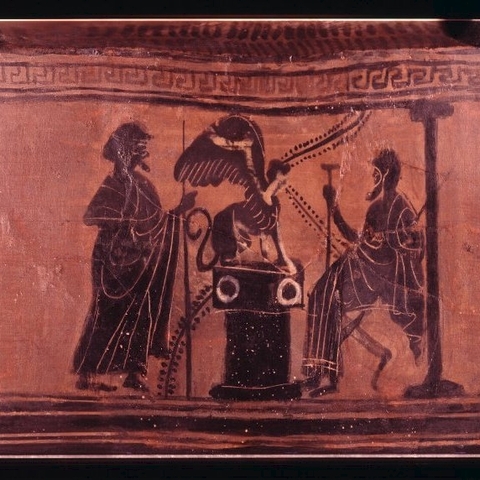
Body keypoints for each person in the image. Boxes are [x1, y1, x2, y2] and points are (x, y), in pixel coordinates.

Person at [73, 122, 196, 392]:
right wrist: (121, 220)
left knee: (142, 312)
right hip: (112, 261)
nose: (141, 154)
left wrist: (179, 211)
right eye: (137, 147)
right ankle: (89, 374)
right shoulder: (113, 184)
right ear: (124, 151)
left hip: (141, 261)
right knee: (105, 314)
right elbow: (91, 216)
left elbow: (157, 223)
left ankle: (134, 372)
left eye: (143, 148)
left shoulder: (144, 185)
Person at [302, 149, 425, 396]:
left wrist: (402, 240)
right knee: (319, 295)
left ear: (385, 175)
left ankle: (328, 377)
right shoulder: (376, 208)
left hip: (375, 277)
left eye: (376, 175)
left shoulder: (402, 209)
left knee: (329, 297)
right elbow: (356, 239)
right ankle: (320, 372)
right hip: (359, 267)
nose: (374, 179)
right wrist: (334, 209)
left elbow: (415, 247)